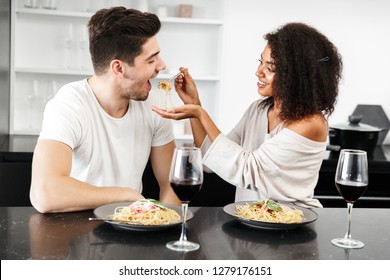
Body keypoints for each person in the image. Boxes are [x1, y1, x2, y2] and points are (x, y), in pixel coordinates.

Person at [152, 22, 343, 208]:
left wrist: (201, 114)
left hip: (294, 227)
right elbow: (211, 159)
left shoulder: (312, 123)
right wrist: (193, 105)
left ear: (296, 76)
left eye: (271, 67)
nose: (258, 72)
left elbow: (247, 169)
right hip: (252, 225)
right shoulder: (258, 110)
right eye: (261, 62)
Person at [30, 7, 180, 213]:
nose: (161, 66)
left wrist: (166, 225)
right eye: (151, 60)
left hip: (131, 224)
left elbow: (171, 183)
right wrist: (125, 195)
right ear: (118, 68)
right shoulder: (69, 104)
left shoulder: (154, 104)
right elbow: (44, 194)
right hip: (74, 227)